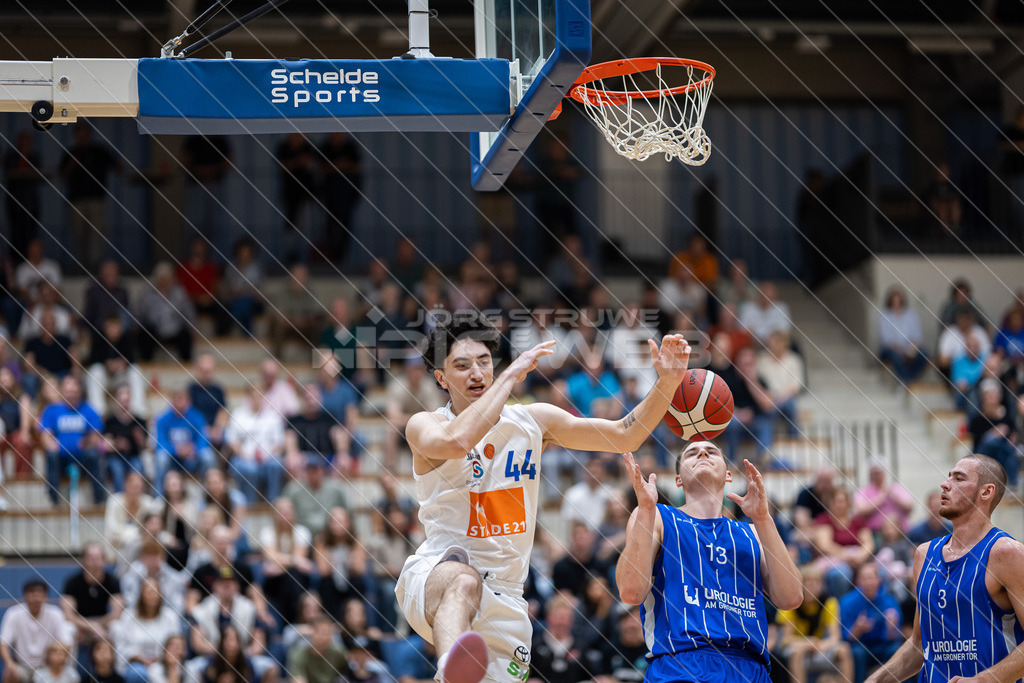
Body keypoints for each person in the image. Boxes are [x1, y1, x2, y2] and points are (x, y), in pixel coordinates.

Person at [395, 313, 693, 683]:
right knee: (463, 580)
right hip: (438, 576)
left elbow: (623, 437)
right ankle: (448, 673)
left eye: (484, 362)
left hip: (507, 597)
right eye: (461, 365)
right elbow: (458, 442)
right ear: (441, 378)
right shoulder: (425, 425)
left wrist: (667, 384)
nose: (477, 373)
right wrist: (509, 377)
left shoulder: (533, 421)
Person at [616, 443, 802, 683]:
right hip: (681, 665)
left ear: (728, 475)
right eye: (691, 453)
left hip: (749, 669)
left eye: (712, 451)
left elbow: (791, 598)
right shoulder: (658, 516)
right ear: (678, 480)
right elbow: (630, 591)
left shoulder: (753, 531)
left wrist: (763, 518)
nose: (702, 453)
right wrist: (645, 510)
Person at [866, 454, 1024, 683]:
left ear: (986, 492)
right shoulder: (923, 555)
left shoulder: (1006, 553)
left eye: (959, 479)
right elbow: (919, 644)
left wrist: (984, 679)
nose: (945, 483)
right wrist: (876, 680)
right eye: (948, 476)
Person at [776, 565, 854, 683]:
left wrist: (822, 645)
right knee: (798, 651)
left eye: (815, 583)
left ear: (821, 586)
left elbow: (835, 636)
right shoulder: (790, 603)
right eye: (807, 583)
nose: (810, 587)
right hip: (797, 647)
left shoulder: (829, 603)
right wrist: (807, 642)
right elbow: (786, 639)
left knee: (844, 649)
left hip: (819, 646)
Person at [40, 375, 105, 507]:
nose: (71, 395)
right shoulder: (52, 410)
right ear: (62, 392)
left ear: (79, 392)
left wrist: (86, 442)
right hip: (61, 459)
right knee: (51, 455)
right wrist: (51, 444)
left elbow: (95, 435)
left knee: (93, 454)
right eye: (68, 392)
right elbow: (45, 435)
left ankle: (99, 499)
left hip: (82, 459)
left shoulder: (89, 410)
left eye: (74, 392)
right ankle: (53, 500)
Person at [0, 579, 74, 683]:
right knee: (9, 675)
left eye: (39, 594)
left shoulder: (55, 613)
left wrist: (58, 660)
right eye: (31, 594)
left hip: (48, 667)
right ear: (25, 596)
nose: (35, 598)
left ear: (45, 597)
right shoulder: (13, 613)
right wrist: (9, 664)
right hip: (22, 667)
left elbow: (66, 643)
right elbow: (3, 643)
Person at [60, 543, 123, 662]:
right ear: (84, 560)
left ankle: (118, 670)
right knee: (67, 629)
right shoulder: (72, 582)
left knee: (117, 628)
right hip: (80, 625)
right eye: (91, 558)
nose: (94, 562)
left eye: (98, 558)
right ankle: (69, 673)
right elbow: (68, 615)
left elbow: (117, 613)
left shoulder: (113, 581)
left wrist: (99, 625)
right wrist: (90, 627)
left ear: (104, 560)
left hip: (103, 623)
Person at [839, 562, 902, 683]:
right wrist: (858, 628)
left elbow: (894, 637)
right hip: (861, 645)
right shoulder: (848, 601)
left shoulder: (889, 600)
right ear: (858, 581)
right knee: (857, 652)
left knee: (896, 650)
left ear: (878, 580)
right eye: (864, 578)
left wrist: (891, 627)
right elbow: (846, 638)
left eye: (871, 578)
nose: (868, 582)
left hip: (883, 645)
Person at [877, 287, 928, 385]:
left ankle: (908, 379)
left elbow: (917, 336)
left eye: (898, 300)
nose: (896, 303)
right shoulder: (884, 316)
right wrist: (902, 350)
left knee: (924, 354)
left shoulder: (912, 315)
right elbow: (887, 340)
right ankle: (905, 382)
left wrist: (912, 349)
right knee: (896, 356)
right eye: (894, 300)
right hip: (890, 349)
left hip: (910, 348)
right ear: (890, 301)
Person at [287, 616, 348, 683]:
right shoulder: (299, 654)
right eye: (323, 633)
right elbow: (297, 679)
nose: (326, 638)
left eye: (329, 634)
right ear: (312, 633)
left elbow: (353, 669)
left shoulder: (338, 652)